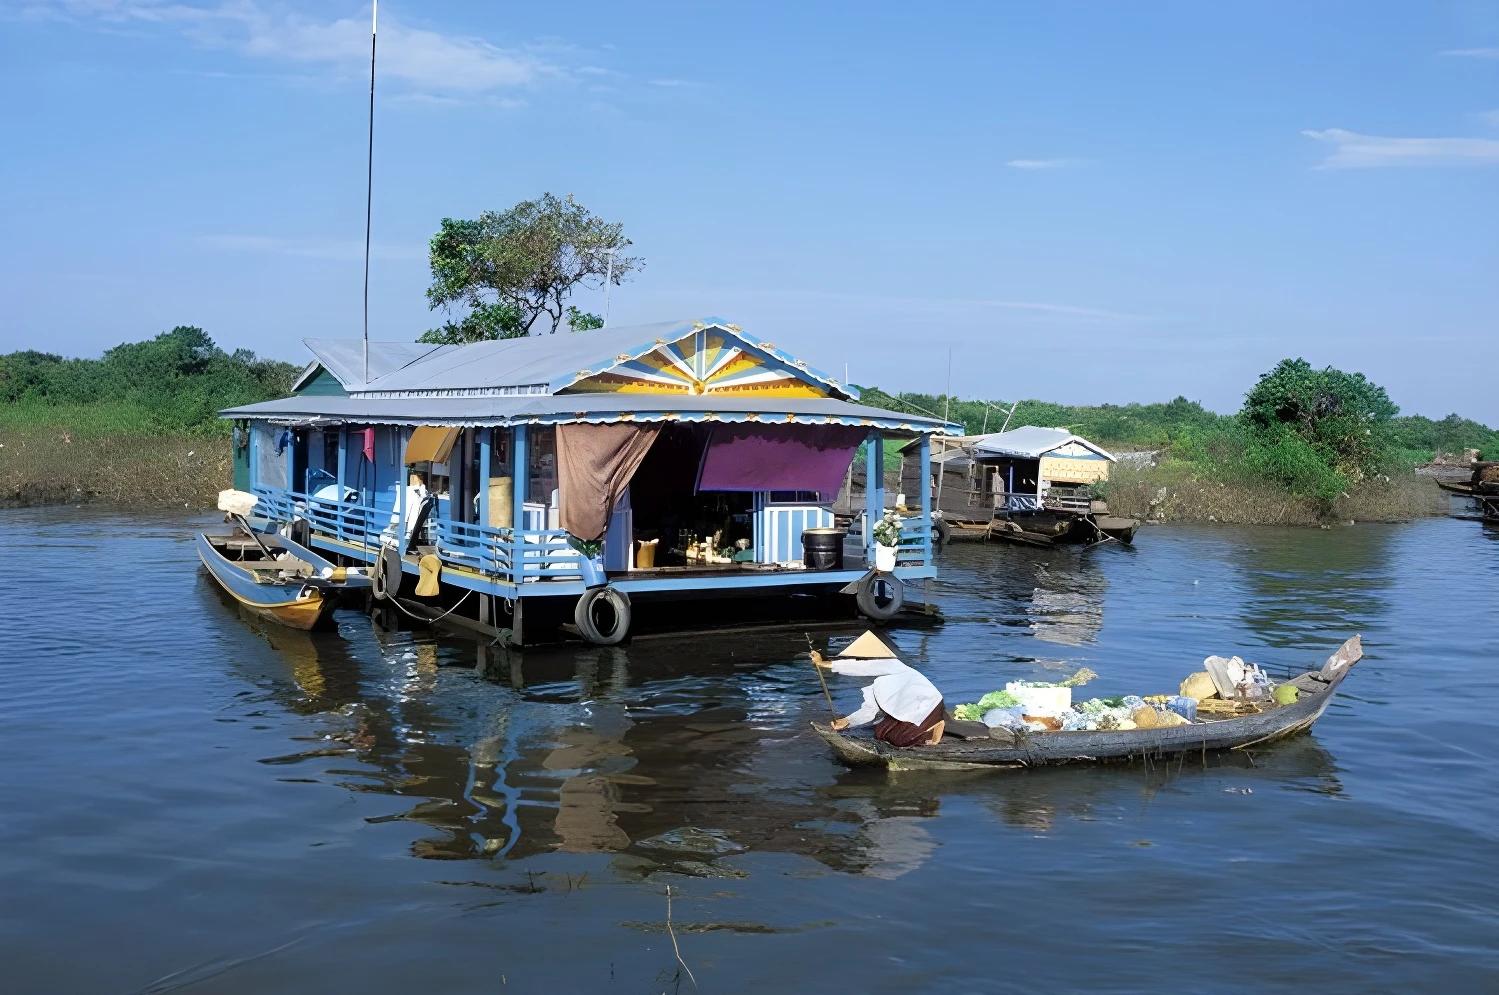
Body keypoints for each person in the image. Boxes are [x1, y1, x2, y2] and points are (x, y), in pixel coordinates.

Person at [813, 631, 945, 747]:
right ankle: (922, 727)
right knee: (880, 733)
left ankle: (937, 724)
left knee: (902, 740)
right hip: (907, 710)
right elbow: (869, 711)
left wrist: (825, 664)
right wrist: (847, 721)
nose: (859, 662)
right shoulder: (871, 684)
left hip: (929, 706)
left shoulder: (892, 664)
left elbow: (862, 667)